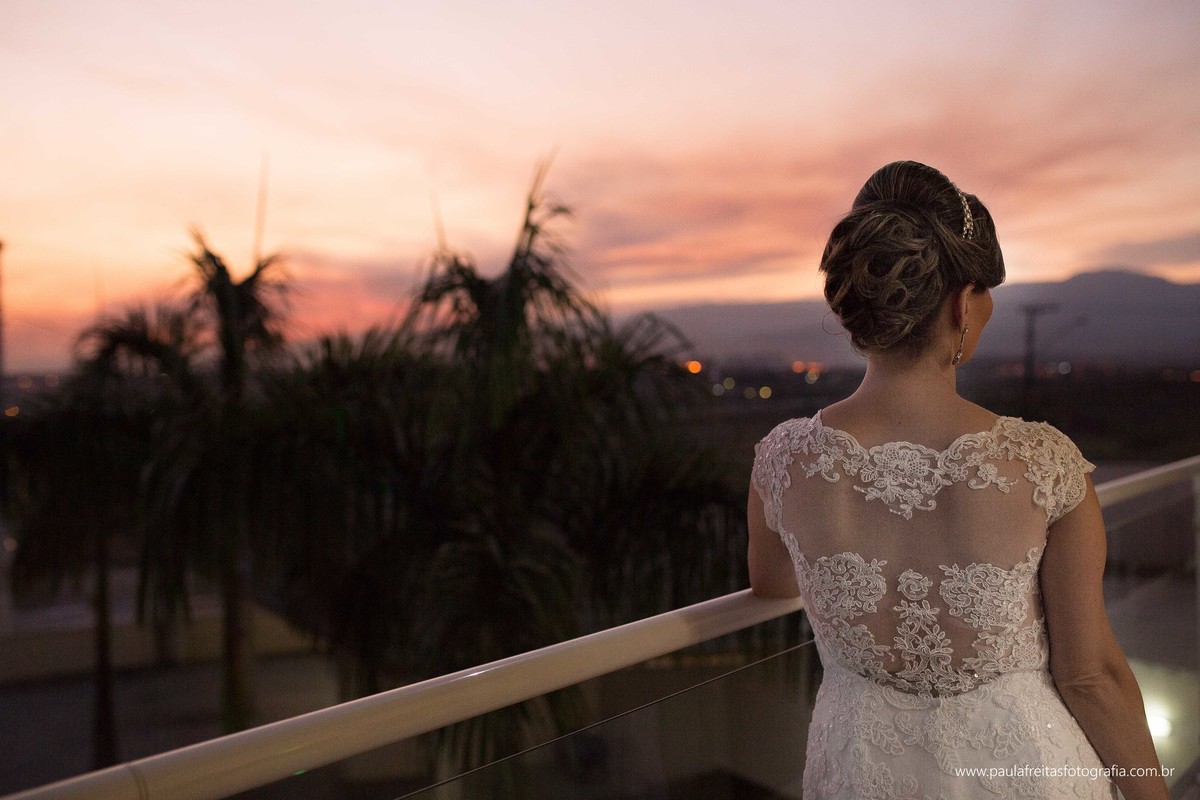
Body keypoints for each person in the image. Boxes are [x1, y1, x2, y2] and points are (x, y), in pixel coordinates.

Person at [747, 161, 1168, 799]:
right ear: (960, 304)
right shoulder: (1043, 465)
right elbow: (1091, 679)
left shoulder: (783, 462)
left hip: (860, 776)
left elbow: (774, 582)